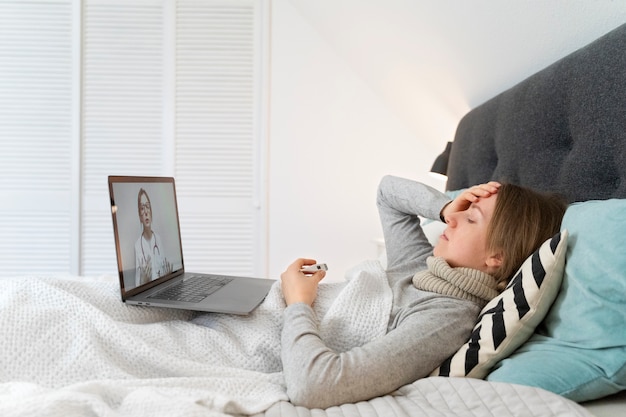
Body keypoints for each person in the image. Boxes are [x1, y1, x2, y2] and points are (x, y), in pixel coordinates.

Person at [279, 175, 566, 408]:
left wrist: (298, 302)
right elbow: (387, 193)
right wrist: (446, 206)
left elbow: (315, 386)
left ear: (497, 258)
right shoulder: (419, 263)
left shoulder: (446, 316)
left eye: (470, 218)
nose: (452, 221)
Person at [134, 188, 173, 286]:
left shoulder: (158, 239)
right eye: (142, 208)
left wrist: (168, 277)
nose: (146, 212)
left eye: (147, 206)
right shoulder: (138, 245)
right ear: (140, 216)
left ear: (151, 211)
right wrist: (144, 281)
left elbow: (163, 271)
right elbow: (137, 287)